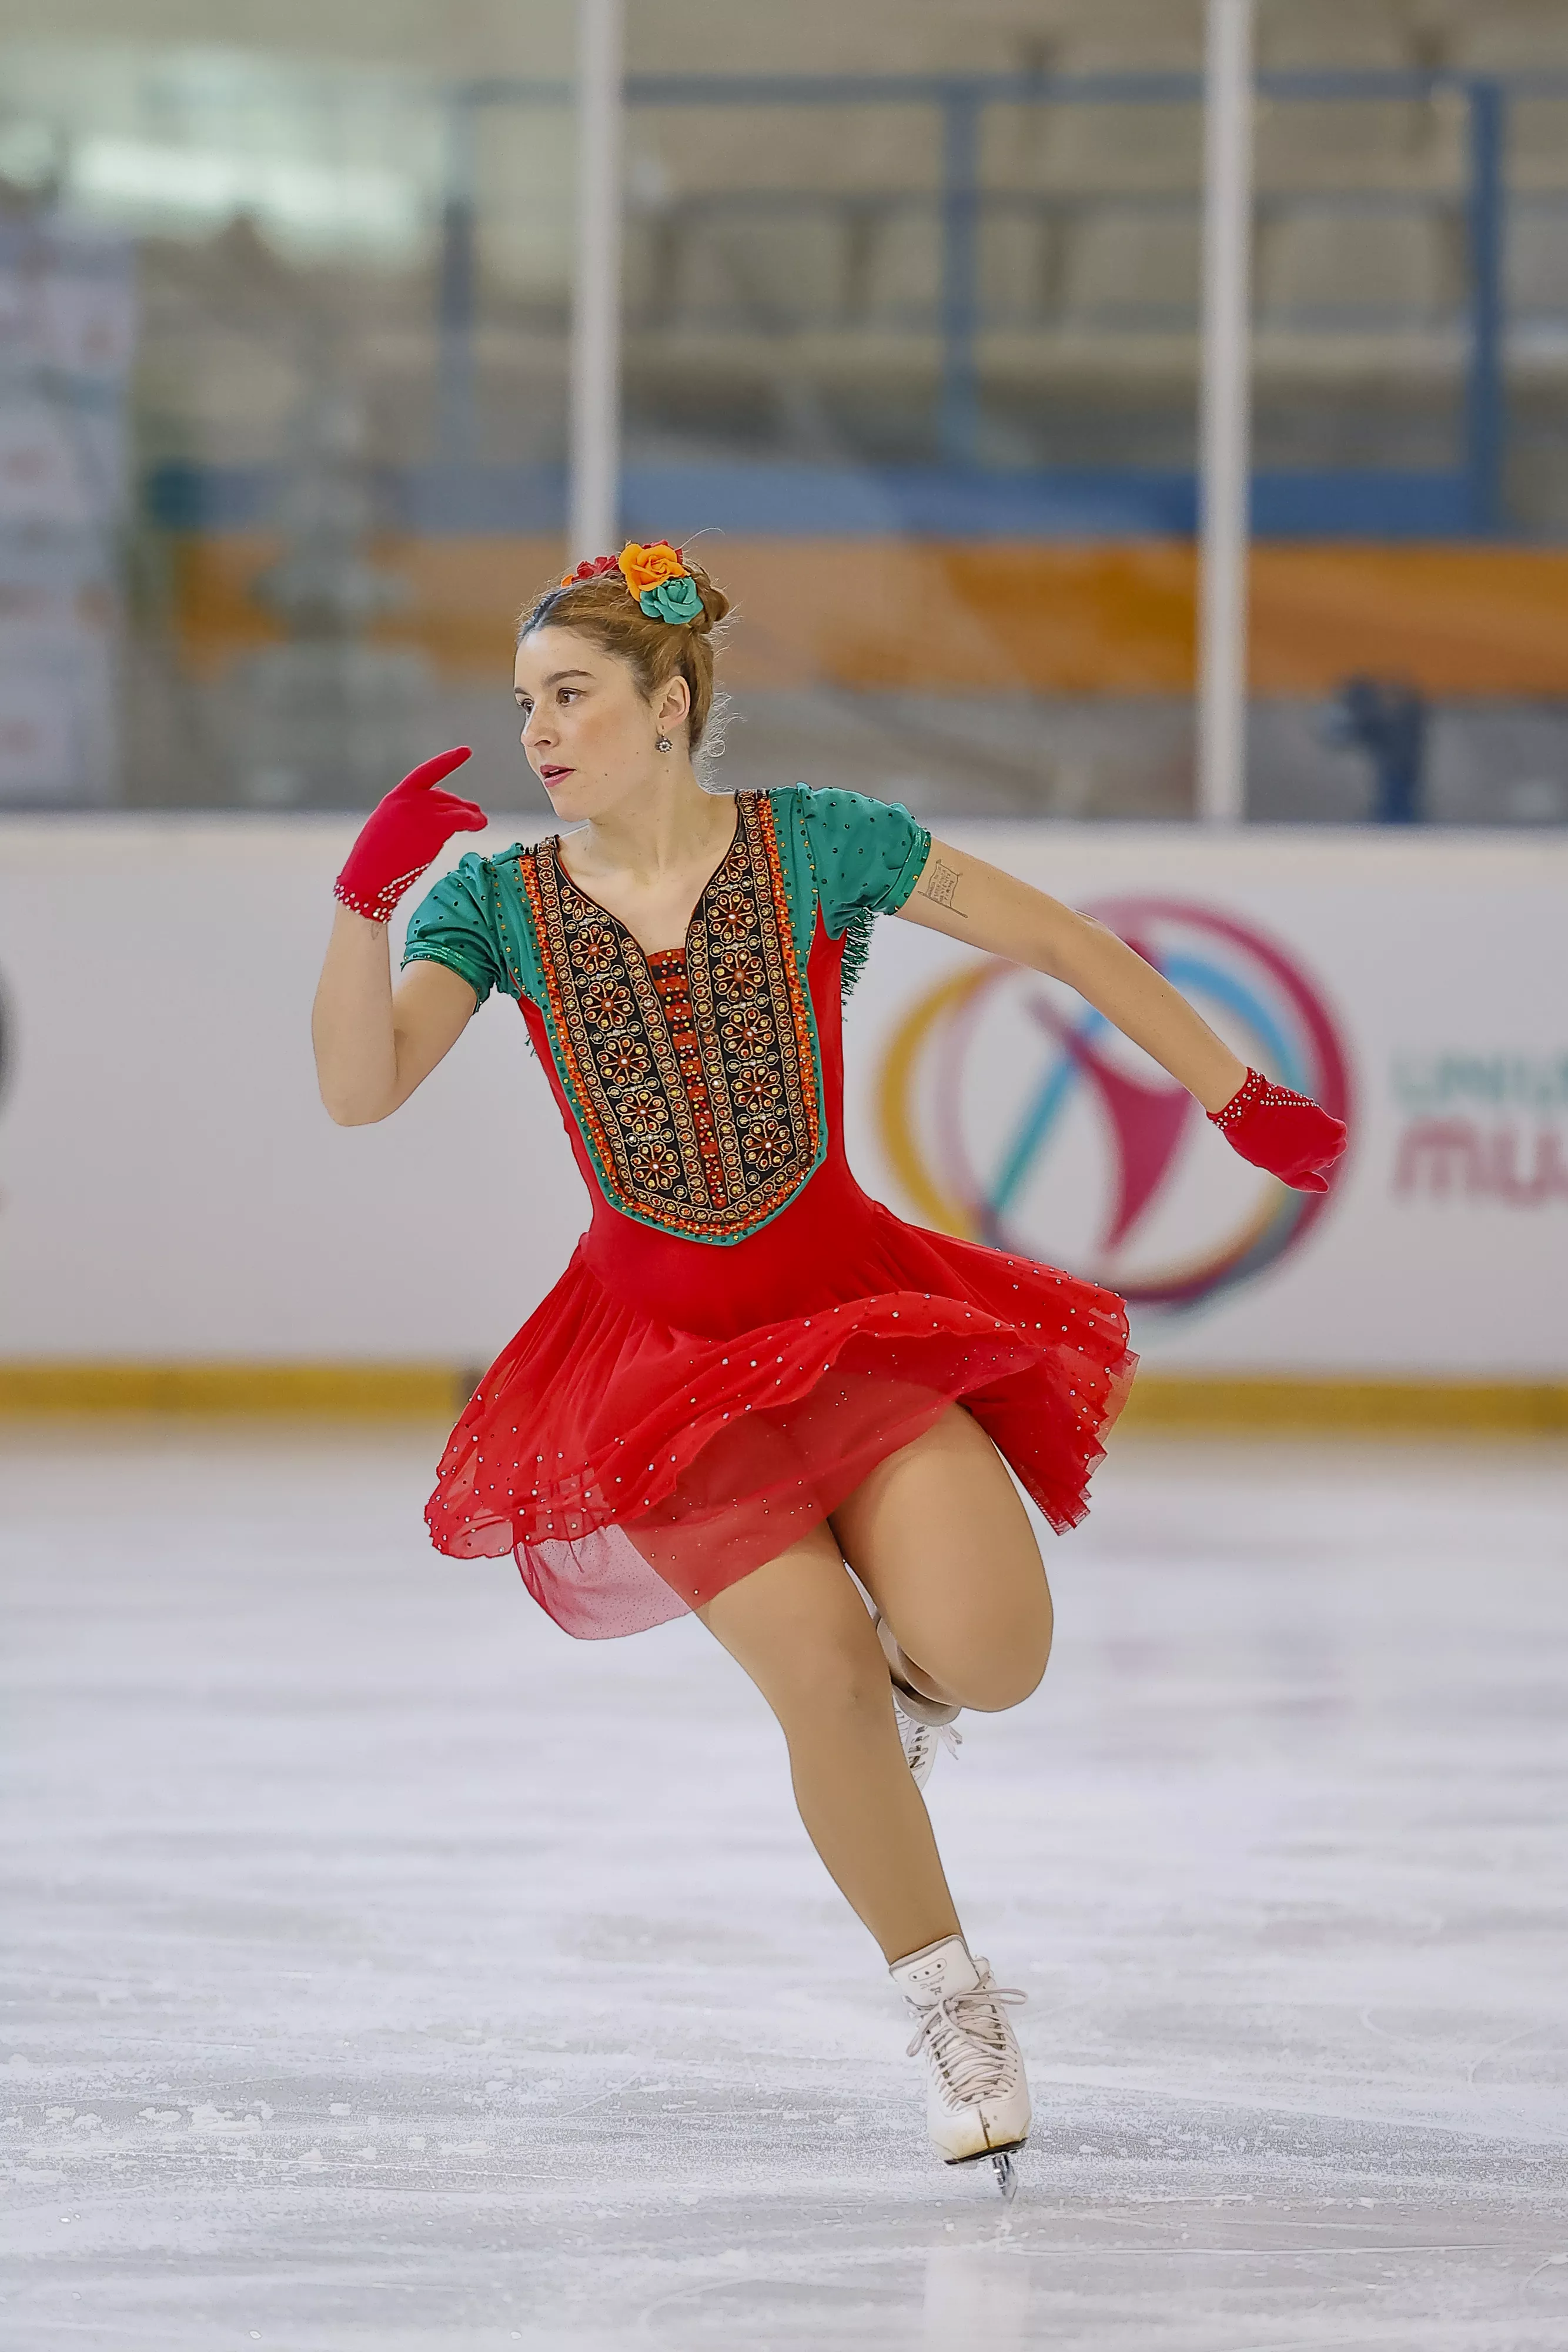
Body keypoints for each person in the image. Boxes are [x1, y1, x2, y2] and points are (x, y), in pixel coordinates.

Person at [311, 541, 1346, 2195]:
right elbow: (361, 1090)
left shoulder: (817, 849)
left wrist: (1231, 1093)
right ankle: (951, 2002)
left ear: (670, 704)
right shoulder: (493, 905)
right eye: (523, 706)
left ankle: (921, 1682)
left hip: (848, 1319)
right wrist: (365, 911)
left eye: (570, 697)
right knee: (820, 1674)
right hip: (655, 1366)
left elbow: (1066, 943)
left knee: (997, 1655)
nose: (538, 734)